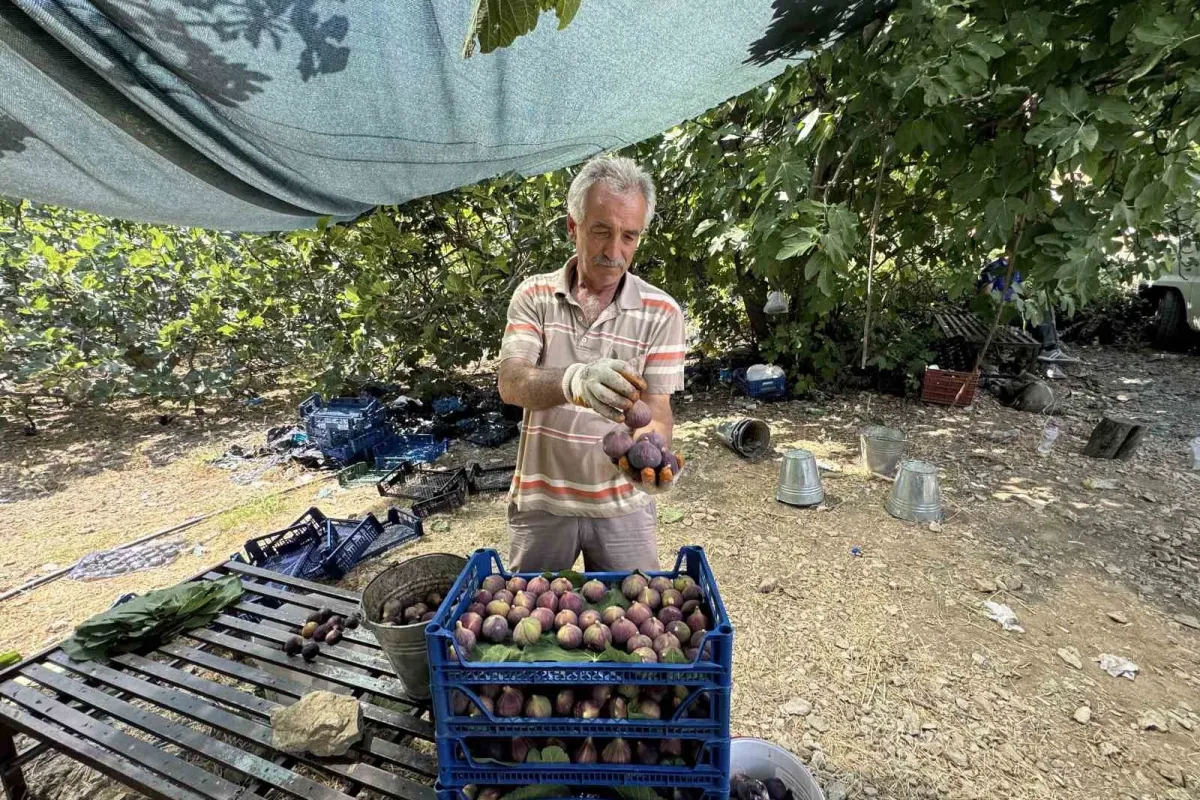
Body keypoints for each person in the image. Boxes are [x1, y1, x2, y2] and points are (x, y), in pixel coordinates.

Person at [497, 156, 685, 573]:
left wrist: (649, 456)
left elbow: (656, 412)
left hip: (623, 508)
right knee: (531, 610)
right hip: (542, 505)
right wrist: (574, 380)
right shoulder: (534, 296)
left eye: (629, 236)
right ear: (573, 226)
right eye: (601, 231)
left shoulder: (662, 312)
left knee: (635, 610)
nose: (614, 251)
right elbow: (511, 382)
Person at [977, 256, 1079, 364]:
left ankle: (1049, 352)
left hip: (1015, 308)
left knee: (1043, 308)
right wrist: (999, 306)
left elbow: (1023, 291)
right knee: (1040, 315)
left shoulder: (1018, 269)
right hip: (1001, 312)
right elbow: (985, 297)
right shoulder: (994, 267)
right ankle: (1050, 350)